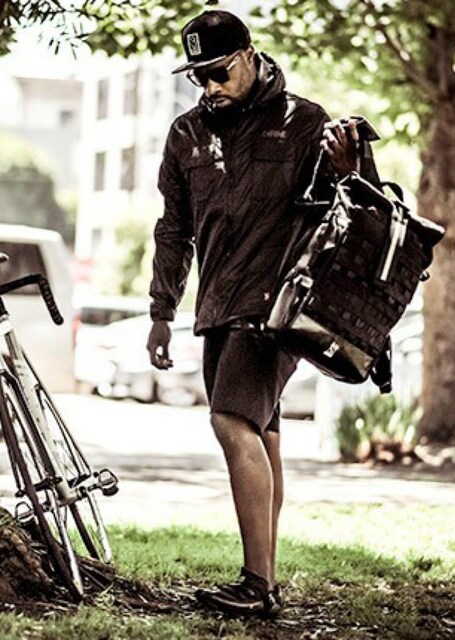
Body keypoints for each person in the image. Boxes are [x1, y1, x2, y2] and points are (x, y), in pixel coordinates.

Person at [146, 9, 380, 617]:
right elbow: (173, 230)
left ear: (249, 56)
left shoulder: (306, 122)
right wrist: (161, 310)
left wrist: (349, 170)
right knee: (264, 436)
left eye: (219, 71)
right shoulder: (185, 134)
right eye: (197, 76)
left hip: (278, 308)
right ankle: (265, 584)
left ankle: (256, 585)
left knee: (231, 423)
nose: (209, 86)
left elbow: (358, 212)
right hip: (215, 307)